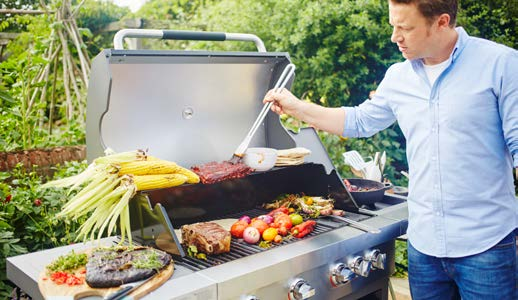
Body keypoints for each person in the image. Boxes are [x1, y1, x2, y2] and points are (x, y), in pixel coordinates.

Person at [263, 0, 518, 299]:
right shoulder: (399, 76)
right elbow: (358, 121)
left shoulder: (502, 64)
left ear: (441, 22)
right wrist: (298, 108)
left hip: (487, 246)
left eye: (405, 28)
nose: (395, 36)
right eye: (393, 26)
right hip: (424, 248)